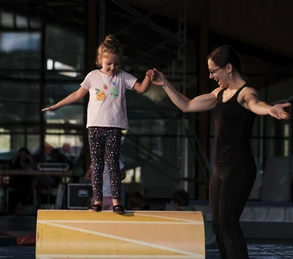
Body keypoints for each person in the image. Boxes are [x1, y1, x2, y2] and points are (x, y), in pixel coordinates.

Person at [151, 45, 290, 259]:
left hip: (239, 167)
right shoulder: (218, 94)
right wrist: (165, 84)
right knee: (216, 225)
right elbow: (187, 105)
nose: (211, 76)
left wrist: (270, 109)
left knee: (228, 223)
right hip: (220, 168)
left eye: (214, 71)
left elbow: (256, 104)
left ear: (228, 68)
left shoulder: (246, 93)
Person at [42, 34, 154, 214]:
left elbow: (141, 88)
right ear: (100, 59)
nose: (113, 68)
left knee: (113, 164)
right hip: (94, 126)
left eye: (117, 64)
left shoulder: (122, 76)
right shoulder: (93, 76)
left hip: (114, 126)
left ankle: (117, 202)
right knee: (97, 165)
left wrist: (148, 76)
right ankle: (98, 201)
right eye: (109, 64)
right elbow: (77, 95)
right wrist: (57, 106)